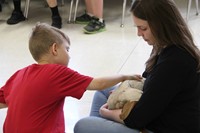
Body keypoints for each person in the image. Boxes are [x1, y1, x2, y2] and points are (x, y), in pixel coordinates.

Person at [74, 0, 200, 133]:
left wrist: (106, 112)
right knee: (103, 92)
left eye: (143, 28)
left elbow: (137, 119)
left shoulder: (175, 62)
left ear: (161, 25)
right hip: (156, 115)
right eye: (137, 27)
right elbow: (148, 80)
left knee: (83, 125)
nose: (139, 34)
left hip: (162, 127)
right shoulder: (164, 45)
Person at [0, 22, 141, 133]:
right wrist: (124, 76)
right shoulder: (56, 72)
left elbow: (2, 102)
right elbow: (98, 83)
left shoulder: (19, 74)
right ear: (55, 49)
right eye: (67, 49)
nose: (69, 55)